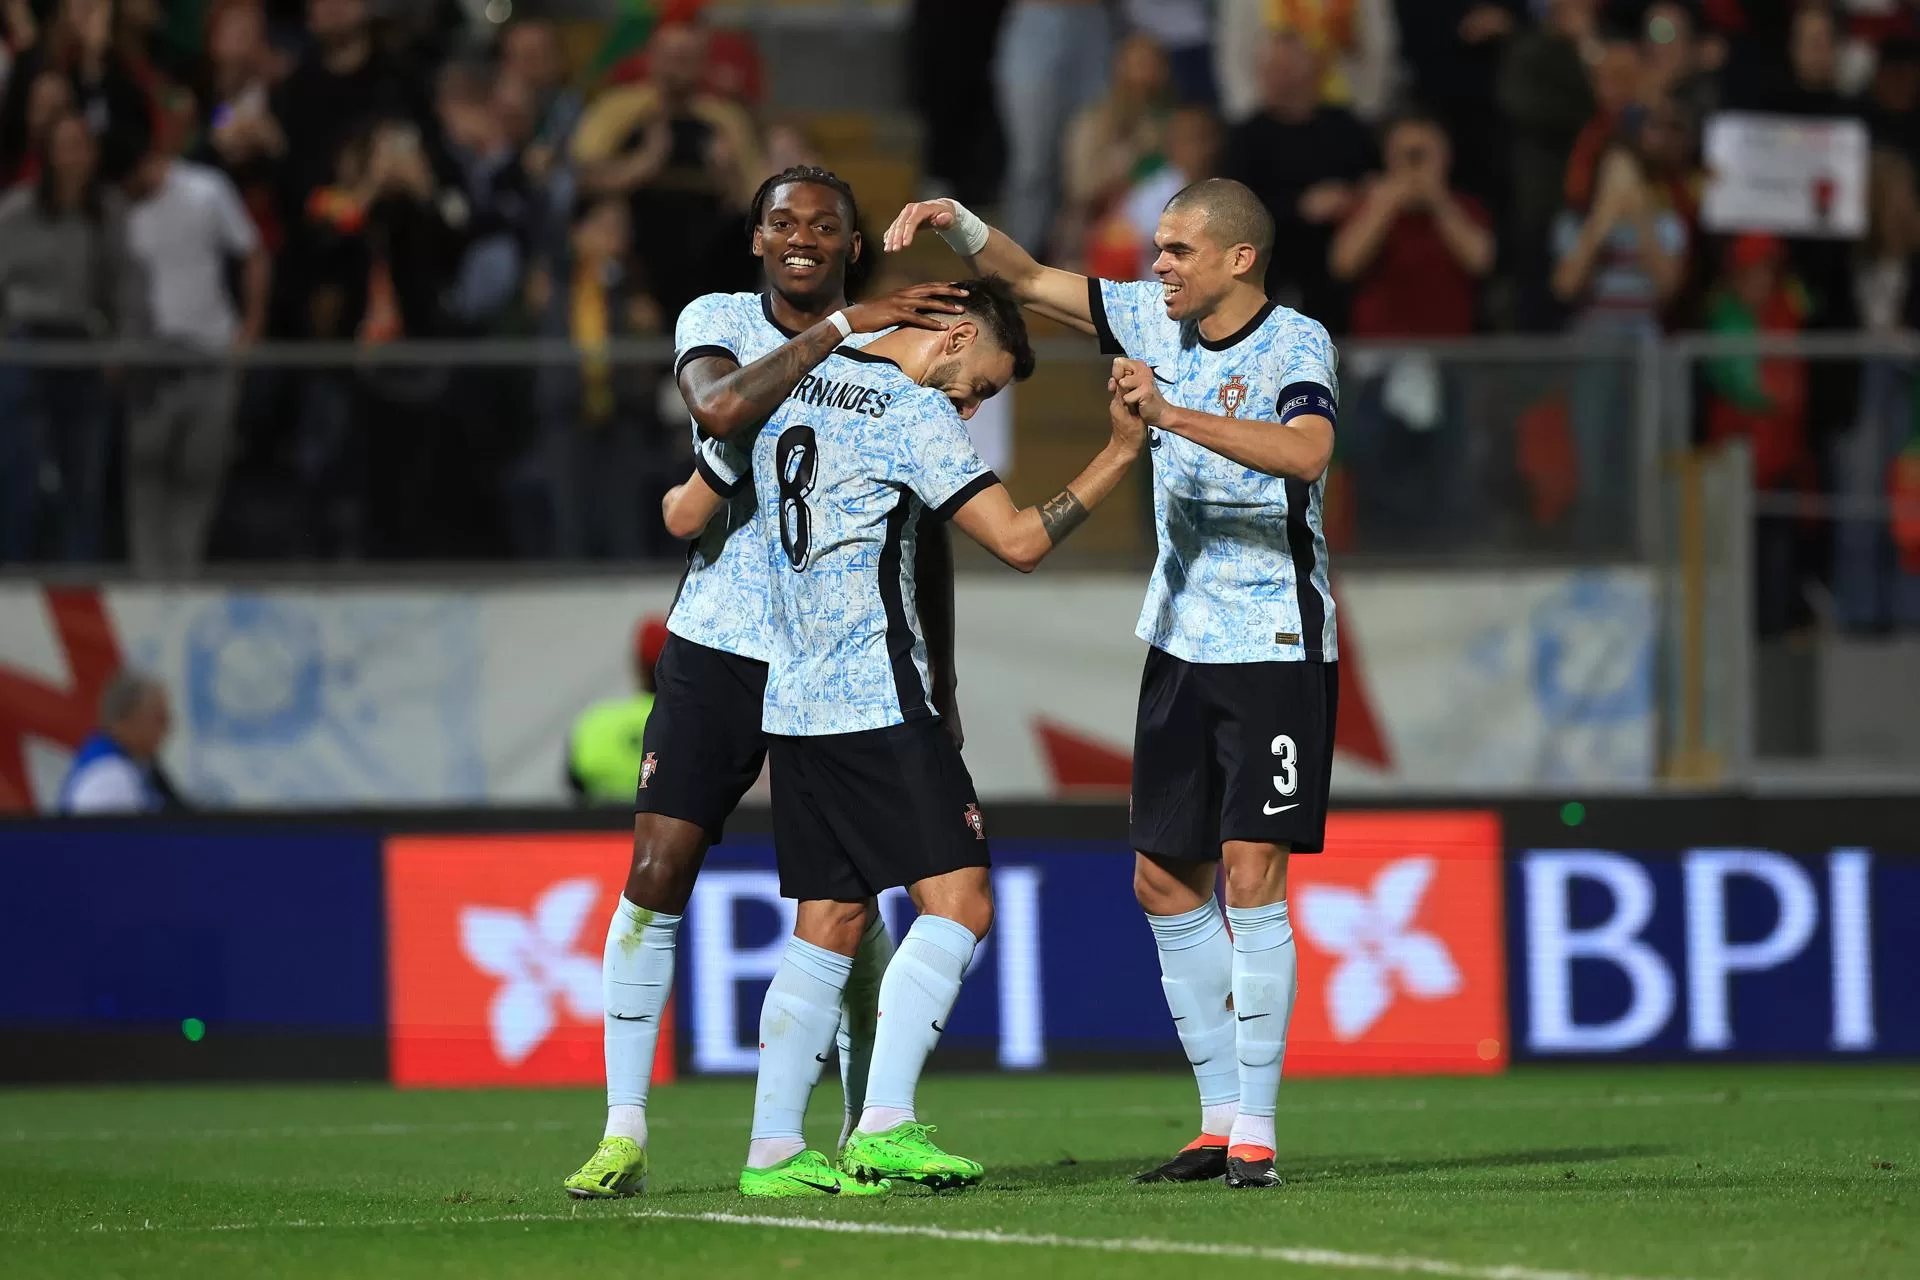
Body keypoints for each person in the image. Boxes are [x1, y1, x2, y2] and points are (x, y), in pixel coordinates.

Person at [885, 176, 1339, 1191]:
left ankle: (1258, 1130)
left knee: (1253, 874)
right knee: (1161, 880)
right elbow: (1026, 277)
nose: (1158, 262)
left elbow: (1308, 452)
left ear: (1238, 259)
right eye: (1157, 247)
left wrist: (1170, 414)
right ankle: (1218, 1116)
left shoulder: (1295, 344)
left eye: (1178, 248)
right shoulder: (1144, 313)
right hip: (1180, 637)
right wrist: (953, 221)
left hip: (1274, 638)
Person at [663, 276, 1145, 1197]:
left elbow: (698, 496)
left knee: (830, 924)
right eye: (984, 384)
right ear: (954, 333)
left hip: (793, 702)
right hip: (876, 698)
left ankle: (771, 1151)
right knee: (960, 904)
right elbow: (1018, 542)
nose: (971, 403)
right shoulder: (910, 412)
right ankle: (882, 1122)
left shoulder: (797, 381)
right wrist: (1121, 452)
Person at [560, 164, 976, 1202]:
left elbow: (921, 531)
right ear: (756, 240)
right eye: (783, 221)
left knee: (848, 895)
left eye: (825, 225)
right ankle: (623, 1130)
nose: (802, 235)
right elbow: (717, 402)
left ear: (851, 246)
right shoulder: (719, 318)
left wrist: (944, 674)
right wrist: (840, 327)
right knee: (658, 866)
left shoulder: (894, 360)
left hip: (832, 655)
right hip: (717, 641)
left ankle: (860, 1123)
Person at [0, 111, 144, 565]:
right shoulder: (17, 211)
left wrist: (120, 348)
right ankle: (12, 584)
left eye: (80, 145)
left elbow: (126, 286)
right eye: (63, 145)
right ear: (47, 153)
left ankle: (81, 583)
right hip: (25, 344)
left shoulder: (108, 212)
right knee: (20, 476)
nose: (72, 156)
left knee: (83, 477)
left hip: (84, 343)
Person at [122, 130, 268, 575]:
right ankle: (148, 583)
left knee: (199, 476)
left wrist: (251, 330)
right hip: (149, 362)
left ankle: (183, 578)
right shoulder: (116, 205)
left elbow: (254, 253)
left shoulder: (207, 189)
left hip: (210, 353)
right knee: (146, 478)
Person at [1220, 30, 1375, 330]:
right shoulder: (1246, 138)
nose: (1277, 79)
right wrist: (1300, 206)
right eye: (1269, 70)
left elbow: (1373, 182)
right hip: (1273, 271)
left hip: (1346, 267)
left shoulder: (1347, 128)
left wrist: (1350, 199)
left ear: (1313, 72)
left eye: (1286, 69)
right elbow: (1232, 211)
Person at [566, 618, 670, 803]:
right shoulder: (696, 728)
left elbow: (575, 785)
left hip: (603, 829)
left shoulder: (593, 722)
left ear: (637, 664)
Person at [57, 670, 172, 814]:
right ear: (125, 722)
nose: (168, 728)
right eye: (159, 719)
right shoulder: (108, 778)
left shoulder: (139, 767)